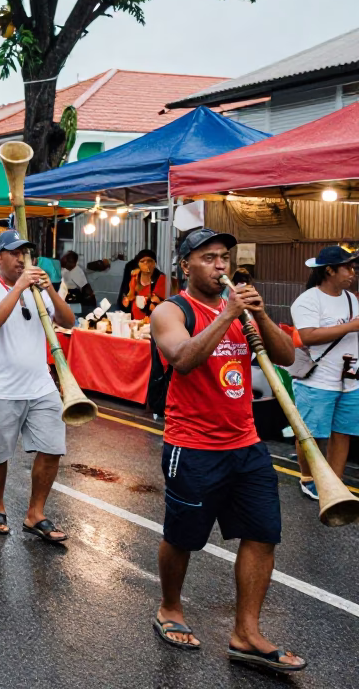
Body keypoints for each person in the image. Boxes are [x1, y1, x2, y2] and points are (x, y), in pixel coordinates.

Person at [148, 228, 303, 673]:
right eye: (210, 258)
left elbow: (287, 356)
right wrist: (226, 314)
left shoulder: (239, 311)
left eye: (225, 258)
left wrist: (259, 315)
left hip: (247, 443)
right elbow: (182, 358)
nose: (221, 266)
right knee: (182, 537)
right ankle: (170, 608)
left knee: (262, 535)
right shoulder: (171, 311)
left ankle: (246, 632)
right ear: (184, 266)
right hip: (192, 446)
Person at [0, 229, 75, 542]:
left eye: (25, 253)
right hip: (1, 388)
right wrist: (18, 287)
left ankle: (36, 514)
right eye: (14, 253)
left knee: (52, 448)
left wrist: (50, 289)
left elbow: (68, 321)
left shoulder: (38, 290)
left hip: (41, 385)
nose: (21, 258)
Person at [289, 246, 359, 501]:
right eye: (347, 267)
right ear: (329, 270)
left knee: (342, 432)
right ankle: (309, 479)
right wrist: (352, 326)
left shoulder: (351, 298)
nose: (352, 273)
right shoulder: (308, 300)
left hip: (350, 380)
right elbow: (308, 336)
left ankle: (334, 482)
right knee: (311, 434)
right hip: (317, 380)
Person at [121, 249, 167, 320]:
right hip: (134, 322)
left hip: (154, 323)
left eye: (149, 261)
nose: (146, 264)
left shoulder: (162, 279)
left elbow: (161, 303)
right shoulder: (134, 277)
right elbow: (127, 297)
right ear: (138, 264)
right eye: (142, 261)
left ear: (155, 263)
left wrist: (150, 304)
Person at [60, 250, 97, 316]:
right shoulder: (75, 270)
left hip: (67, 300)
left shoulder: (64, 268)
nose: (74, 264)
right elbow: (86, 288)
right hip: (72, 300)